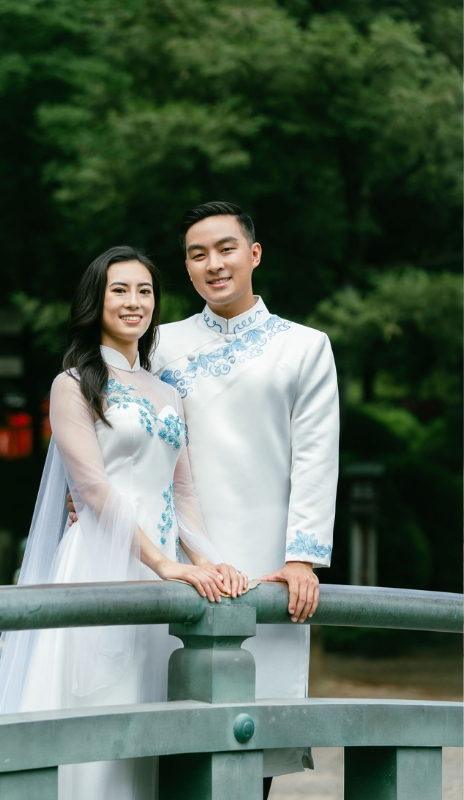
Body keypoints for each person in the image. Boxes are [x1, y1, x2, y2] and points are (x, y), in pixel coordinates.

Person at [0, 246, 248, 799]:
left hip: (161, 564)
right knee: (96, 704)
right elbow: (93, 490)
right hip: (102, 558)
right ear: (95, 300)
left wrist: (207, 561)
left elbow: (182, 489)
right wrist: (165, 563)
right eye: (120, 290)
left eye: (144, 291)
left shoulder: (168, 391)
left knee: (144, 714)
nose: (134, 302)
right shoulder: (73, 384)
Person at [154, 201, 339, 794]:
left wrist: (302, 557)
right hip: (172, 562)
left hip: (267, 565)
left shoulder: (305, 347)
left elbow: (315, 455)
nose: (213, 264)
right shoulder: (158, 343)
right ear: (186, 268)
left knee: (248, 740)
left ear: (254, 254)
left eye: (226, 248)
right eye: (197, 254)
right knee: (161, 735)